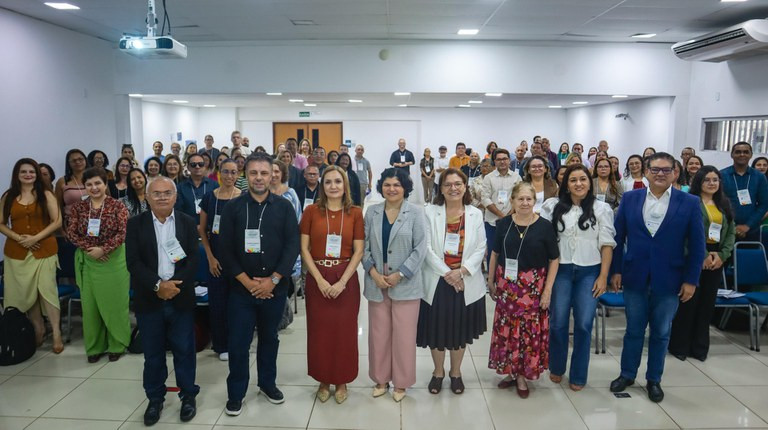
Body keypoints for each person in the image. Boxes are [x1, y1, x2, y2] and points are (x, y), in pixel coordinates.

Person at [609, 152, 706, 403]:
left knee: (661, 332)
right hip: (634, 276)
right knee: (633, 330)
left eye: (666, 170)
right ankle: (627, 374)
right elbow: (617, 239)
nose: (660, 174)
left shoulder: (690, 202)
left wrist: (691, 280)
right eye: (655, 169)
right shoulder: (630, 199)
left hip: (670, 278)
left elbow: (697, 246)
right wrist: (616, 270)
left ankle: (654, 379)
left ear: (676, 172)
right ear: (647, 172)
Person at [219, 153, 300, 414]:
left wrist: (273, 280)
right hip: (241, 290)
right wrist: (247, 282)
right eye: (253, 173)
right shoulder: (233, 207)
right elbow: (225, 250)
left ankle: (267, 384)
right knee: (239, 343)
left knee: (269, 338)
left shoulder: (284, 206)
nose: (259, 178)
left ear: (272, 175)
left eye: (264, 173)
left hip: (274, 289)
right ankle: (236, 393)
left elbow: (292, 246)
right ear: (246, 175)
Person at [126, 176, 201, 426]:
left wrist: (173, 286)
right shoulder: (135, 224)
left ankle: (188, 395)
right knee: (153, 354)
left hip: (180, 298)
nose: (161, 197)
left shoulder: (188, 222)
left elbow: (193, 259)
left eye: (167, 193)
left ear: (175, 196)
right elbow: (133, 262)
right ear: (147, 197)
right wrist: (158, 286)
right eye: (156, 193)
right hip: (150, 298)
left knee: (184, 351)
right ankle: (155, 398)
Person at [541, 165, 616, 391]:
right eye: (573, 180)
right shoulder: (552, 206)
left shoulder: (602, 208)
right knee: (557, 322)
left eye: (583, 179)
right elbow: (542, 238)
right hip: (560, 270)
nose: (578, 184)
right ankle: (556, 366)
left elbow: (607, 244)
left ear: (589, 182)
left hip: (589, 272)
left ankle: (579, 373)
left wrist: (603, 276)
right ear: (566, 184)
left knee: (584, 324)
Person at [487, 182, 559, 398]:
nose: (525, 203)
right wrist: (490, 281)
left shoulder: (545, 226)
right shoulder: (504, 224)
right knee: (507, 330)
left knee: (527, 332)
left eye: (529, 199)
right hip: (507, 286)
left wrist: (547, 291)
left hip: (533, 287)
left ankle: (522, 374)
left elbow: (554, 260)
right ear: (513, 201)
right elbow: (494, 254)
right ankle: (510, 370)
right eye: (521, 199)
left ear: (534, 201)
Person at [299, 166, 364, 404]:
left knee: (344, 333)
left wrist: (342, 281)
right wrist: (319, 279)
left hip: (345, 277)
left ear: (345, 185)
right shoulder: (311, 212)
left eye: (338, 181)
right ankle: (323, 380)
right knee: (320, 333)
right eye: (328, 182)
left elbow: (358, 251)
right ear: (322, 185)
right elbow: (304, 249)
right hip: (318, 276)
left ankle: (342, 380)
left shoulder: (355, 213)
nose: (333, 186)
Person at [419, 168, 486, 396]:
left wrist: (463, 271)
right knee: (436, 332)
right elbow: (425, 248)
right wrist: (449, 273)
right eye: (448, 184)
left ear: (465, 186)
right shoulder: (429, 212)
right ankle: (438, 372)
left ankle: (455, 372)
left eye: (458, 184)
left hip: (464, 281)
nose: (453, 188)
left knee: (459, 332)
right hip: (438, 282)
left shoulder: (475, 214)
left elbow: (481, 247)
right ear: (441, 188)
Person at [363, 168, 428, 402]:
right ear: (381, 187)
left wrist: (400, 274)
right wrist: (373, 272)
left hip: (406, 283)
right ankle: (380, 379)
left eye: (397, 185)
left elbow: (420, 248)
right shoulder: (371, 212)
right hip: (377, 282)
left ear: (405, 188)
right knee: (378, 335)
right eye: (387, 184)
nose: (391, 189)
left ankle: (401, 383)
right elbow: (364, 247)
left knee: (404, 336)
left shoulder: (416, 213)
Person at [65, 167, 132, 363]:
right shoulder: (79, 208)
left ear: (105, 184)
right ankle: (95, 347)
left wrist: (104, 249)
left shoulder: (117, 206)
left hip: (114, 261)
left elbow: (122, 233)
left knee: (114, 304)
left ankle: (117, 343)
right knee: (91, 307)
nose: (94, 188)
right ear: (84, 187)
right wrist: (90, 249)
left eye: (98, 183)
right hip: (88, 260)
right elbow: (72, 233)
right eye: (89, 184)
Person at [669, 166, 735, 362]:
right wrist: (703, 255)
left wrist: (722, 255)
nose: (712, 183)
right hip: (694, 255)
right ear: (699, 182)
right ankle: (680, 345)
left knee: (707, 304)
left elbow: (730, 232)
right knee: (689, 303)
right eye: (708, 180)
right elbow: (686, 233)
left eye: (715, 180)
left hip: (717, 257)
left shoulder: (723, 203)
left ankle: (699, 347)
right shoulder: (691, 202)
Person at [0, 159, 63, 353]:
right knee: (28, 293)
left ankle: (57, 334)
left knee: (46, 291)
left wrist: (35, 237)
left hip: (44, 249)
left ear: (36, 174)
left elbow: (57, 221)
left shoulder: (45, 194)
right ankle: (38, 329)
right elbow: (1, 223)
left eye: (32, 172)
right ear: (17, 175)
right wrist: (20, 238)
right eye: (23, 172)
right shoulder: (9, 196)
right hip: (17, 253)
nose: (28, 175)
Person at [199, 159, 242, 362]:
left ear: (238, 174)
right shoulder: (209, 197)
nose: (229, 176)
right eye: (226, 171)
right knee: (218, 303)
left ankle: (238, 341)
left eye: (234, 172)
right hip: (215, 259)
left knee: (238, 303)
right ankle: (221, 344)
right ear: (218, 173)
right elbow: (202, 229)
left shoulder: (243, 197)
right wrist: (210, 257)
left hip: (239, 260)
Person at [481, 149, 523, 265]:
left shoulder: (517, 178)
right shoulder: (488, 178)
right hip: (492, 223)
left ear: (509, 160)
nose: (502, 162)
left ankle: (507, 280)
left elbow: (519, 197)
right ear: (494, 161)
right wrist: (501, 215)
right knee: (492, 251)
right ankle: (491, 280)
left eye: (505, 159)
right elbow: (485, 199)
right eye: (499, 159)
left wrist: (509, 215)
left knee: (510, 251)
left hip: (513, 221)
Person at [720, 142, 768, 241]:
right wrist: (731, 226)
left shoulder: (760, 177)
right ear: (732, 154)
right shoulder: (721, 175)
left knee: (750, 256)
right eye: (738, 152)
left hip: (752, 230)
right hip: (726, 229)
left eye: (746, 152)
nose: (742, 154)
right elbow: (718, 202)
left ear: (751, 155)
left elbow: (764, 205)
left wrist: (747, 226)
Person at [175, 153, 219, 223]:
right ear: (188, 167)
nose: (197, 167)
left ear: (204, 166)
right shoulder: (180, 187)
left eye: (200, 164)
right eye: (193, 164)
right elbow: (179, 211)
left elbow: (217, 208)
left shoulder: (214, 185)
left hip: (209, 228)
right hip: (188, 227)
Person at [55, 149, 90, 225]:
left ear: (85, 160)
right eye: (74, 161)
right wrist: (60, 227)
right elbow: (58, 207)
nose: (77, 162)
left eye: (80, 159)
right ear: (69, 164)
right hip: (72, 223)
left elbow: (107, 199)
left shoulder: (96, 178)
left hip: (95, 221)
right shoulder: (62, 181)